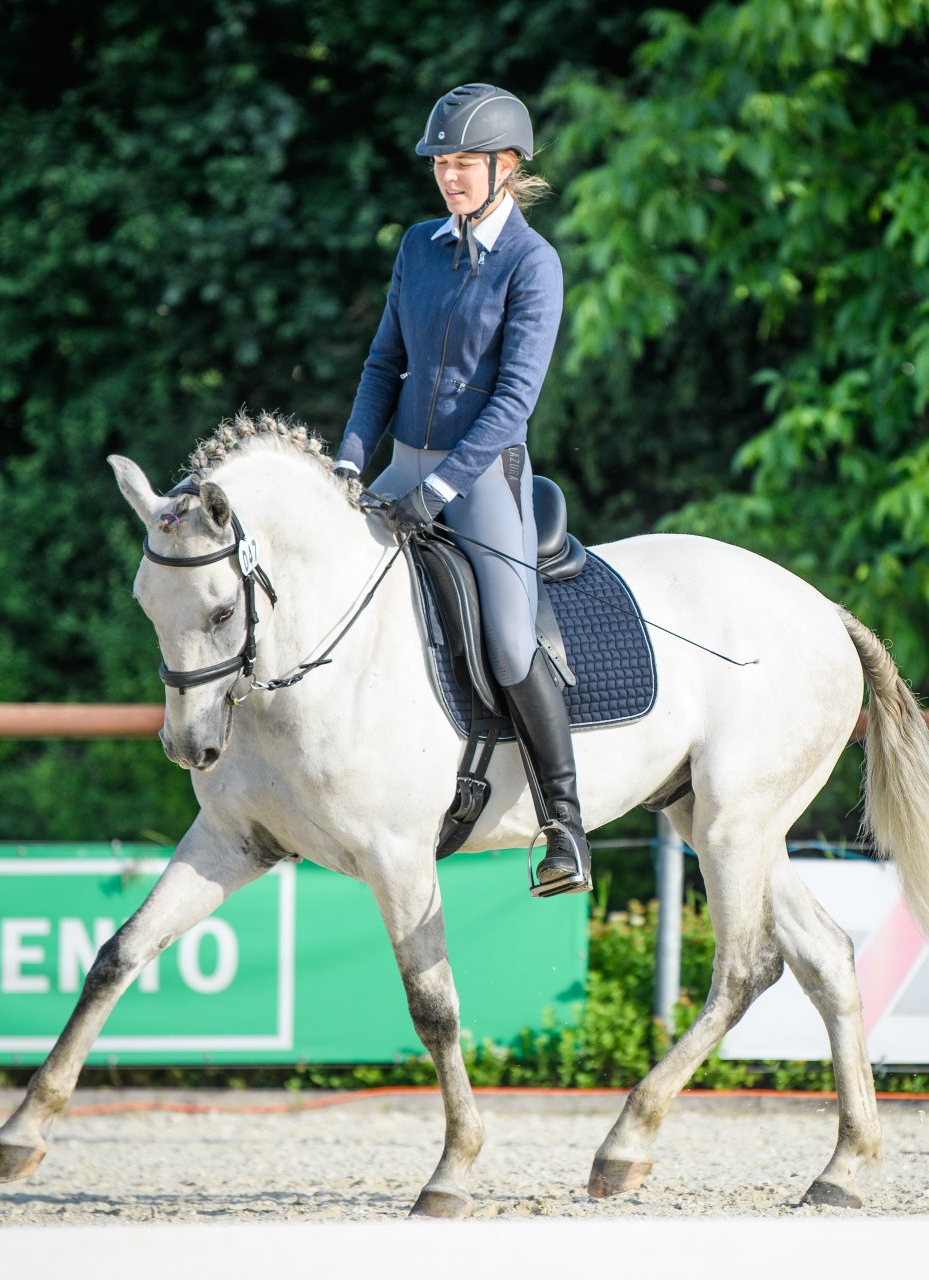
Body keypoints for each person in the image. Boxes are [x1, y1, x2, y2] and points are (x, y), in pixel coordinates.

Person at [333, 83, 589, 897]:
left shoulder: (533, 263)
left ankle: (563, 826)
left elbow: (513, 399)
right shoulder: (417, 246)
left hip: (483, 476)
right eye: (442, 163)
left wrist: (439, 487)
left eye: (466, 163)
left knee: (512, 643)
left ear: (506, 167)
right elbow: (383, 364)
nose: (450, 176)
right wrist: (347, 461)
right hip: (401, 459)